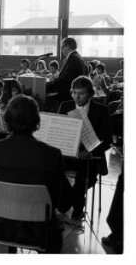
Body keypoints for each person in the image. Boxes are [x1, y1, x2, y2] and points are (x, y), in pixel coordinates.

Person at [0, 95, 73, 253]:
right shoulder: (52, 154)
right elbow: (61, 201)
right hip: (37, 230)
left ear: (6, 120)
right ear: (37, 122)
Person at [58, 76, 111, 221]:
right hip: (68, 155)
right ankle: (71, 198)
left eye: (81, 93)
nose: (77, 96)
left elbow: (107, 141)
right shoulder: (65, 106)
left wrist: (89, 152)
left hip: (90, 157)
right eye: (74, 92)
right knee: (52, 167)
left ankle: (76, 208)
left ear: (90, 94)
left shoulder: (101, 110)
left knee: (83, 173)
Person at [49, 37, 86, 103]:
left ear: (68, 47)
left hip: (68, 95)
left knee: (67, 112)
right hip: (74, 93)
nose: (61, 49)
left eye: (62, 47)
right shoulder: (77, 56)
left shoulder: (73, 58)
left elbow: (67, 78)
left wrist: (53, 80)